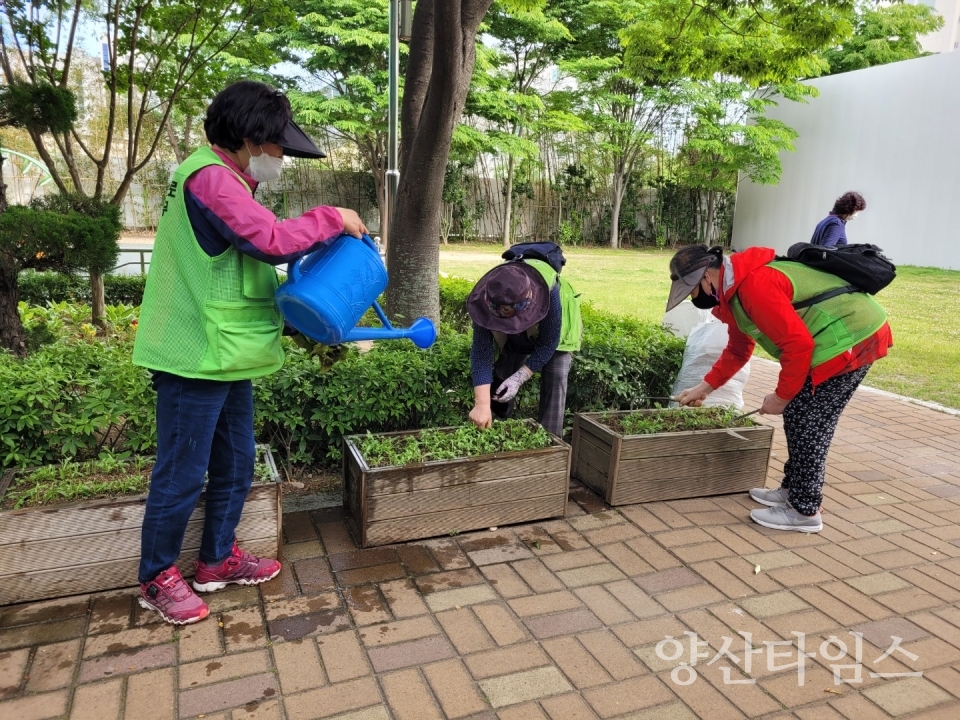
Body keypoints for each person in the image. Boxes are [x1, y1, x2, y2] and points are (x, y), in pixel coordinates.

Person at [132, 80, 367, 624]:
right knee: (181, 472)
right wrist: (333, 217)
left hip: (226, 350)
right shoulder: (210, 178)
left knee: (236, 461)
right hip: (193, 352)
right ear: (248, 137)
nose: (282, 156)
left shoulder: (227, 177)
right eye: (278, 145)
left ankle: (216, 561)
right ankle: (156, 576)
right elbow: (268, 240)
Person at [666, 244, 892, 533]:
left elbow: (798, 345)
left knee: (808, 422)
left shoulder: (755, 286)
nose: (694, 298)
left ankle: (804, 510)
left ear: (706, 278)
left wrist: (781, 397)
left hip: (852, 336)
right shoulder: (731, 294)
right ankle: (792, 490)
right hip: (831, 339)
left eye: (692, 291)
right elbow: (738, 348)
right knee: (801, 416)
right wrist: (704, 387)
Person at [466, 257, 581, 437]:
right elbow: (481, 354)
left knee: (556, 373)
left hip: (556, 335)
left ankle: (549, 445)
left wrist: (520, 377)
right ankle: (494, 434)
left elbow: (548, 343)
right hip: (516, 311)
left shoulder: (550, 291)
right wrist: (482, 404)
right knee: (502, 370)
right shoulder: (486, 297)